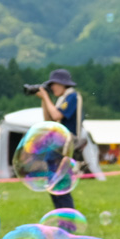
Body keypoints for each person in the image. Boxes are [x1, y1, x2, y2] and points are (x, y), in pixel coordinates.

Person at [31, 68, 84, 210]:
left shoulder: (72, 96)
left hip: (65, 146)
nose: (52, 87)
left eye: (54, 84)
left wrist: (46, 97)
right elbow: (48, 119)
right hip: (56, 145)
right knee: (54, 186)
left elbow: (56, 116)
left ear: (63, 84)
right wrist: (44, 99)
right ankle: (61, 217)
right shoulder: (62, 99)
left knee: (62, 186)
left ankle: (68, 221)